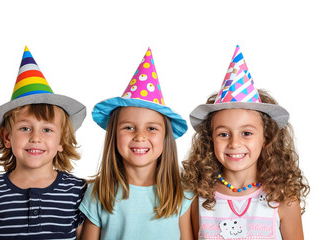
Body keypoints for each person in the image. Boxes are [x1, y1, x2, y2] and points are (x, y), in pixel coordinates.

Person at [181, 45, 310, 240]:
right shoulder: (199, 196)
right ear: (210, 138)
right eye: (223, 134)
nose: (234, 143)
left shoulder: (282, 198)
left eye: (247, 133)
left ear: (266, 137)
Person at [0, 46, 87, 240]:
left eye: (47, 130)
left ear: (62, 141)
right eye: (25, 128)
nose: (36, 138)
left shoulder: (77, 190)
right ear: (7, 138)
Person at [79, 48, 193, 240]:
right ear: (114, 135)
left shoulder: (181, 193)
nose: (140, 137)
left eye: (151, 128)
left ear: (166, 137)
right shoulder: (98, 192)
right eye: (129, 127)